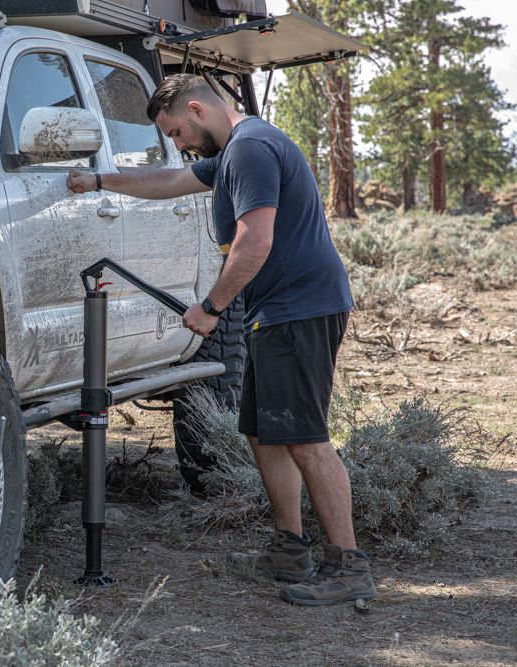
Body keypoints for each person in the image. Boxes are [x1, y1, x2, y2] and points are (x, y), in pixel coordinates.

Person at [67, 74, 375, 606]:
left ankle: (349, 566)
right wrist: (99, 183)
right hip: (275, 311)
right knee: (264, 433)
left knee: (304, 438)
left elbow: (256, 240)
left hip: (299, 309)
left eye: (179, 133)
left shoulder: (251, 149)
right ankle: (288, 548)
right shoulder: (233, 151)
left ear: (197, 109)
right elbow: (169, 182)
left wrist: (211, 308)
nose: (180, 145)